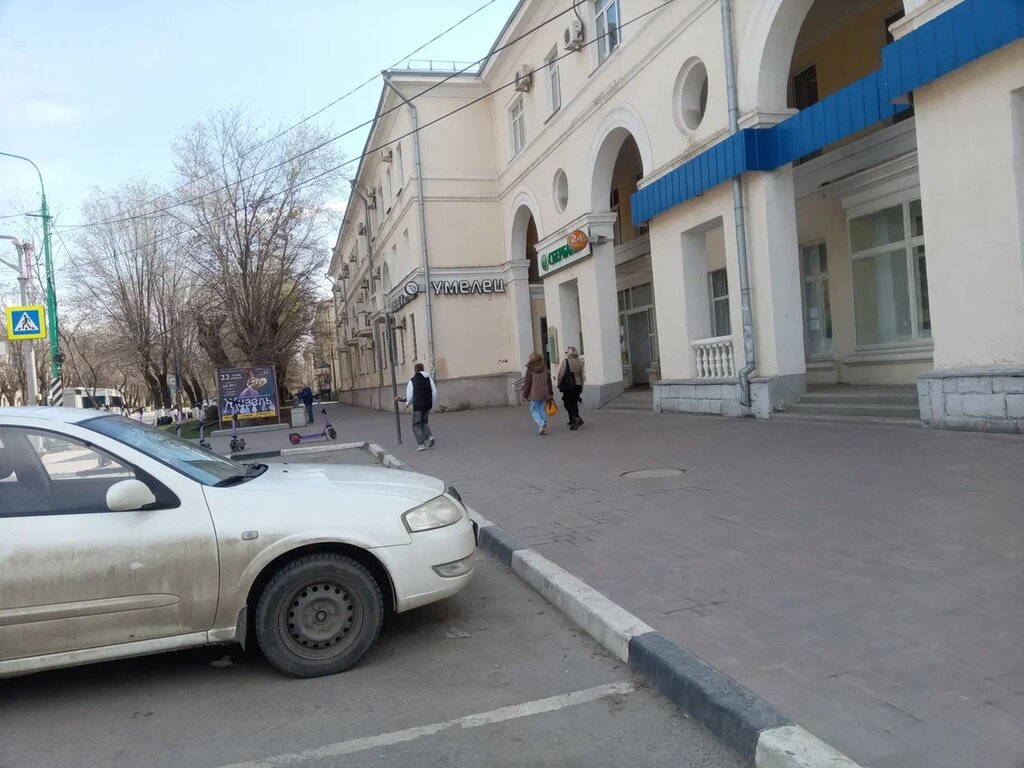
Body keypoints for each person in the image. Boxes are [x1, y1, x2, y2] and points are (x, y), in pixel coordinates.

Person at [396, 363, 437, 451]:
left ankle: (421, 444)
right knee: (424, 422)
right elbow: (434, 391)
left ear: (415, 370)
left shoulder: (413, 381)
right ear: (423, 369)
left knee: (416, 425)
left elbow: (410, 395)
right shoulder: (429, 379)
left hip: (418, 405)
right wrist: (432, 402)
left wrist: (407, 403)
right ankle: (430, 436)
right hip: (427, 404)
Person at [522, 352, 553, 435]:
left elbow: (527, 383)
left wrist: (525, 393)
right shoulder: (545, 368)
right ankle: (543, 425)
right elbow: (549, 381)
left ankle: (541, 423)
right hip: (545, 393)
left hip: (534, 394)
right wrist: (550, 392)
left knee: (534, 410)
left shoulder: (530, 369)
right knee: (542, 410)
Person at [556, 346, 585, 430]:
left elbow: (561, 374)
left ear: (568, 353)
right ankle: (574, 419)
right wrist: (581, 386)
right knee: (574, 402)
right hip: (577, 385)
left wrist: (559, 383)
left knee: (567, 402)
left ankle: (576, 417)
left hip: (569, 385)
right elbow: (581, 376)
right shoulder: (579, 362)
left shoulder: (566, 361)